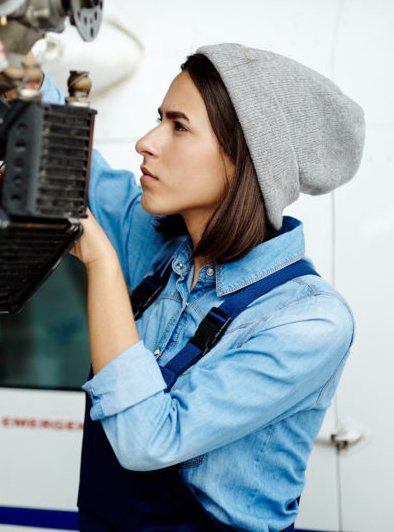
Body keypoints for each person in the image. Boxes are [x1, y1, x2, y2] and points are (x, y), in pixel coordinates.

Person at [66, 43, 364, 532]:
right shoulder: (156, 243)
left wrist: (101, 264)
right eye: (159, 119)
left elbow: (148, 440)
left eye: (179, 127)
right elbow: (71, 163)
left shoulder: (309, 321)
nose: (147, 141)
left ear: (246, 160)